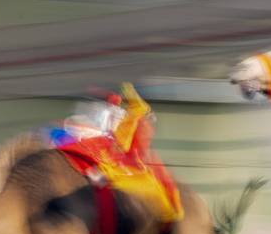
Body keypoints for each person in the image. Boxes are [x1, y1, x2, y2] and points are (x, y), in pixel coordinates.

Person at [54, 84, 182, 224]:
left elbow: (123, 141)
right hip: (110, 148)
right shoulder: (126, 117)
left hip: (115, 152)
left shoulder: (130, 120)